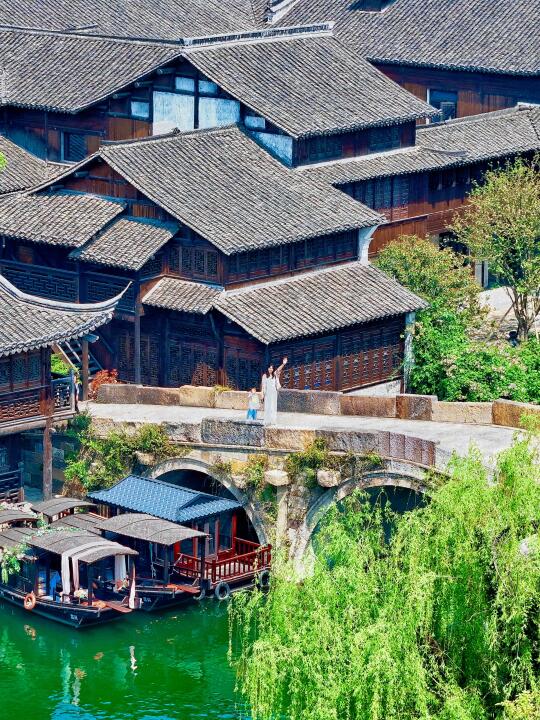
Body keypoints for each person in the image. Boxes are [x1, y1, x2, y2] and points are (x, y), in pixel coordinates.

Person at [261, 357, 287, 426]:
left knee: (273, 406)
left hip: (274, 393)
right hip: (267, 393)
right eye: (269, 368)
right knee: (267, 407)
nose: (270, 369)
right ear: (267, 368)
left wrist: (283, 364)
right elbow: (263, 386)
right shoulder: (264, 376)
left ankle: (273, 420)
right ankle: (267, 420)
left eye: (272, 368)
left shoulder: (274, 375)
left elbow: (279, 369)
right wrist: (262, 395)